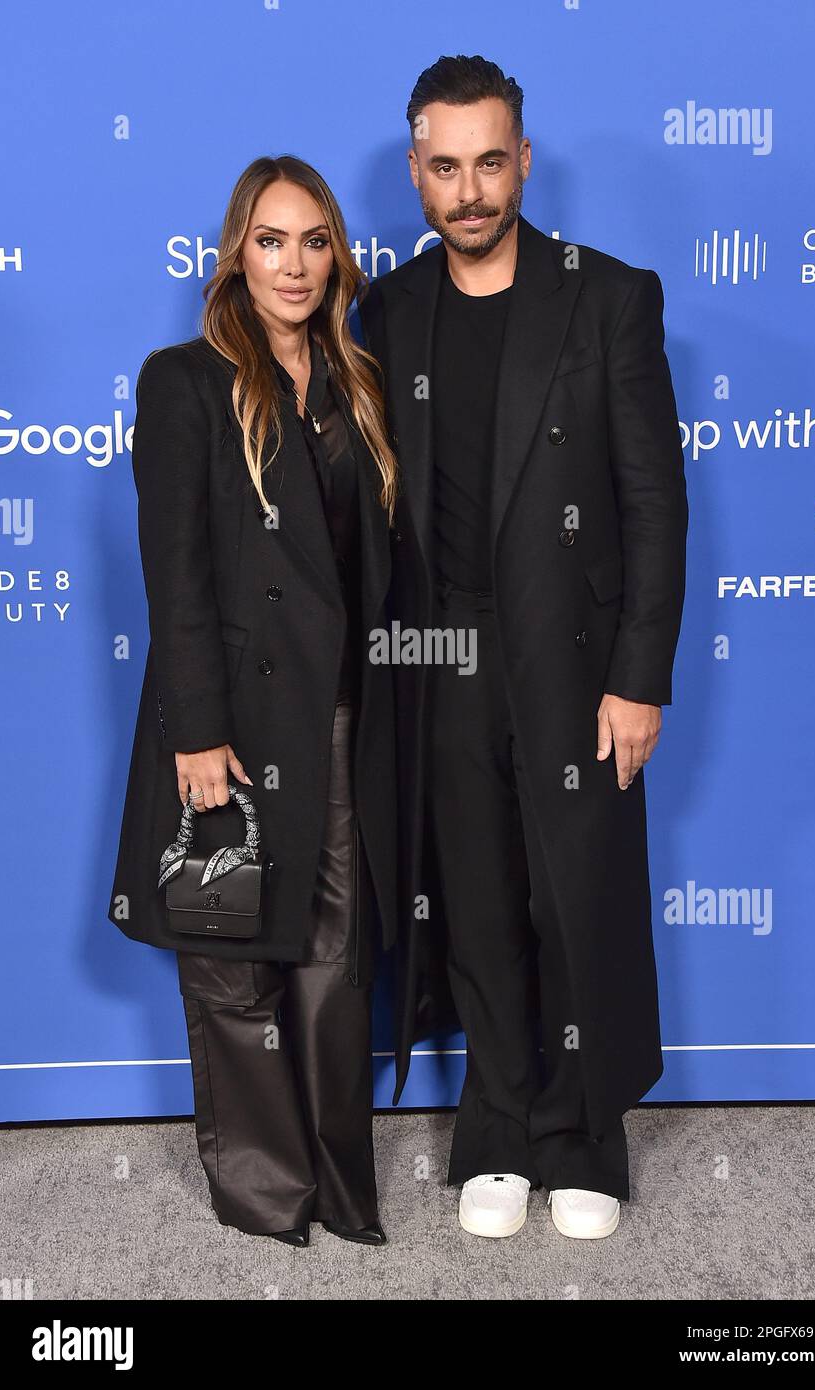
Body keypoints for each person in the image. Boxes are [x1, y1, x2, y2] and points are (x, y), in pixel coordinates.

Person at [359, 55, 688, 1240]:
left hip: (577, 656)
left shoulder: (607, 297)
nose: (470, 188)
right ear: (417, 172)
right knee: (482, 900)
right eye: (444, 167)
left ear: (524, 161)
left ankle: (583, 1131)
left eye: (490, 161)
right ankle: (495, 1125)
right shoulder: (386, 310)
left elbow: (654, 500)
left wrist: (638, 676)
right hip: (440, 657)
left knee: (578, 896)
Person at [108, 154, 398, 1247]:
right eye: (272, 239)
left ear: (337, 256)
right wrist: (198, 728)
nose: (295, 263)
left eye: (315, 240)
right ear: (238, 251)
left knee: (332, 951)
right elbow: (172, 565)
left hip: (339, 715)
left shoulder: (358, 383)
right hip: (231, 719)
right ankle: (267, 1187)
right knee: (233, 947)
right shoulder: (184, 379)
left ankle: (336, 1173)